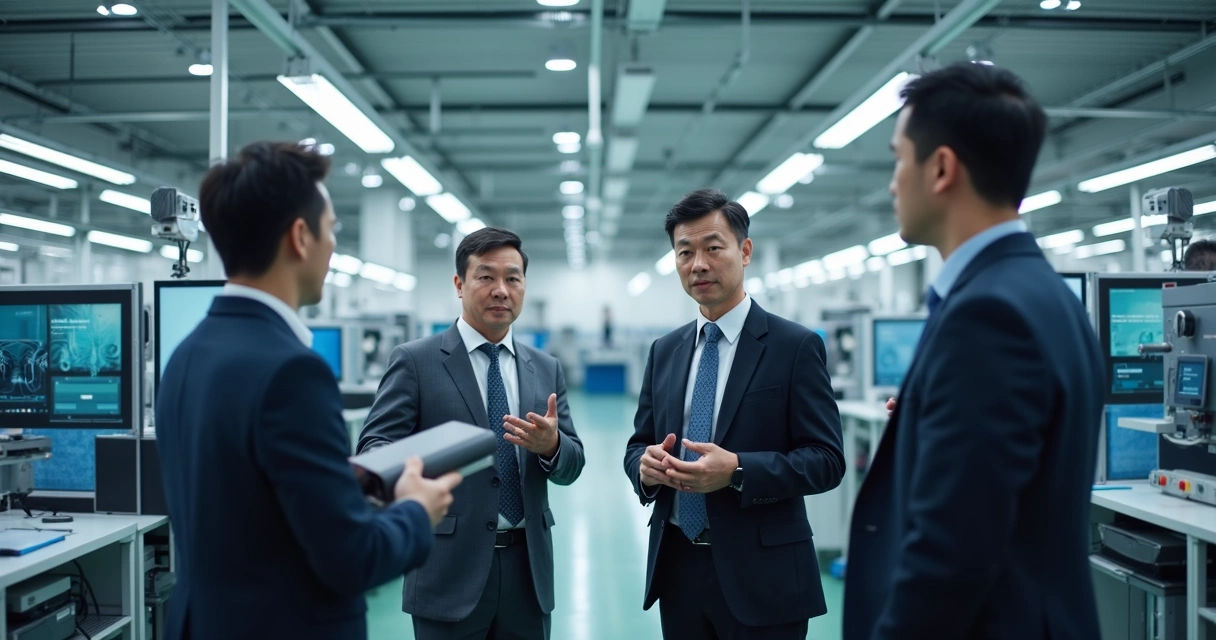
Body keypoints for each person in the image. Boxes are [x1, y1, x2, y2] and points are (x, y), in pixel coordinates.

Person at [156, 141, 461, 640]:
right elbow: (351, 559)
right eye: (332, 229)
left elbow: (248, 507)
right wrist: (414, 510)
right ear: (300, 237)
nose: (334, 245)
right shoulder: (292, 373)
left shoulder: (186, 355)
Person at [843, 63, 1105, 640]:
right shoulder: (1047, 296)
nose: (891, 182)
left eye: (897, 157)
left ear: (940, 168)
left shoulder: (988, 317)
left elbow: (950, 556)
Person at [623, 188, 845, 640]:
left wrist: (738, 470)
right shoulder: (665, 351)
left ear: (745, 251)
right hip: (678, 568)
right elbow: (637, 444)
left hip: (764, 576)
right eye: (685, 252)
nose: (698, 263)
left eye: (712, 248)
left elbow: (827, 460)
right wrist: (645, 469)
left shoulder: (794, 347)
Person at [358, 227, 585, 640]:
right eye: (486, 276)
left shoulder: (545, 368)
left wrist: (551, 445)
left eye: (512, 278)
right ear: (459, 284)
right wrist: (421, 465)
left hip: (528, 573)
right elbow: (375, 448)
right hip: (447, 571)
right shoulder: (416, 361)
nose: (501, 289)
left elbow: (573, 464)